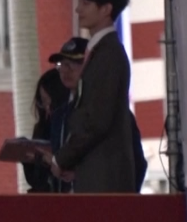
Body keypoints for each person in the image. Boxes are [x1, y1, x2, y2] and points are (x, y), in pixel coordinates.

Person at [49, 0, 136, 193]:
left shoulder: (109, 54)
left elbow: (96, 120)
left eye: (86, 4)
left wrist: (62, 158)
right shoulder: (101, 51)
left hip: (105, 181)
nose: (78, 9)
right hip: (95, 175)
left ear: (106, 9)